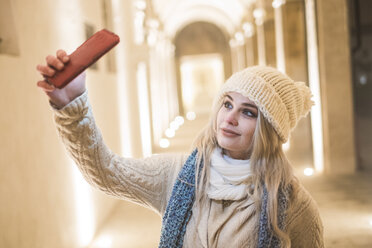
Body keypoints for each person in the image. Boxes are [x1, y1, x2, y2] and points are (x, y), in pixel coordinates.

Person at [36, 50, 324, 248]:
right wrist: (71, 104)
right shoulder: (178, 174)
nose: (230, 118)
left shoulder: (294, 206)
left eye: (249, 112)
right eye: (227, 104)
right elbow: (105, 171)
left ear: (270, 131)